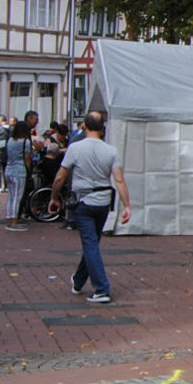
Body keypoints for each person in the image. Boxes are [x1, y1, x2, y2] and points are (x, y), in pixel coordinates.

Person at [52, 110, 130, 304]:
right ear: (103, 129)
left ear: (84, 126)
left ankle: (102, 288)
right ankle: (78, 280)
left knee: (90, 244)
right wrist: (127, 205)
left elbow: (60, 176)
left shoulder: (75, 148)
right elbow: (119, 180)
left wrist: (54, 197)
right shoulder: (111, 151)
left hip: (83, 201)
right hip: (103, 201)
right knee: (92, 243)